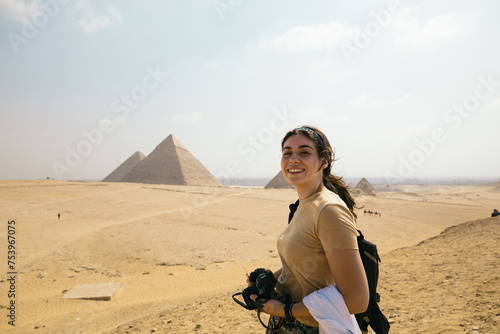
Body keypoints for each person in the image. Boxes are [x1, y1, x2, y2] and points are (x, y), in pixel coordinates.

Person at [246, 126, 369, 333]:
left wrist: (286, 310)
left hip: (310, 327)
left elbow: (357, 300)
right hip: (286, 323)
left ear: (324, 161)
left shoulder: (329, 210)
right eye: (287, 153)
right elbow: (305, 262)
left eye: (304, 152)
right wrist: (270, 278)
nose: (293, 159)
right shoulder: (303, 204)